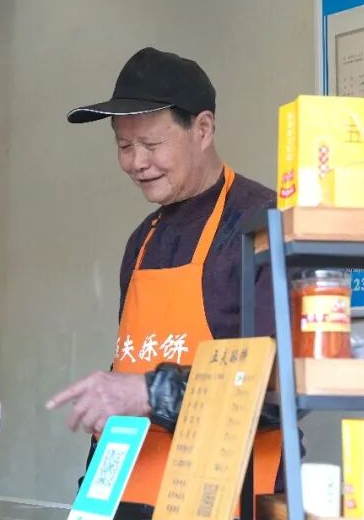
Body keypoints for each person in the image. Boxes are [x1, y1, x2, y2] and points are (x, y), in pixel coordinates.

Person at [47, 47, 282, 517]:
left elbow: (279, 389)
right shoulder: (143, 240)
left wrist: (146, 393)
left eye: (151, 145)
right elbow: (127, 368)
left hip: (226, 498)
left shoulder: (266, 225)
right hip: (130, 495)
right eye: (123, 146)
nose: (136, 162)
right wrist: (90, 499)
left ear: (203, 129)